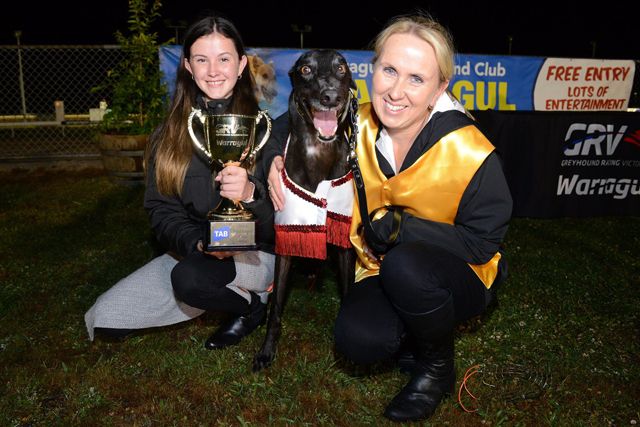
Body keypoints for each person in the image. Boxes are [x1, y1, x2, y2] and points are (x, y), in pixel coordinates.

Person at [265, 14, 512, 422]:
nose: (396, 91)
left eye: (416, 78)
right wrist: (272, 159)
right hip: (378, 267)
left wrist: (403, 229)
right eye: (390, 71)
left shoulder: (470, 150)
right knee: (359, 340)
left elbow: (483, 244)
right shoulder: (356, 121)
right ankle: (412, 332)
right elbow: (287, 120)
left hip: (462, 271)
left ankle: (436, 370)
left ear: (439, 89)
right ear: (372, 70)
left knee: (406, 264)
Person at [85, 14, 275, 351]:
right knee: (107, 317)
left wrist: (250, 194)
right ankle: (226, 289)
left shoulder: (263, 130)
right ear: (187, 66)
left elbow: (285, 224)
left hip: (256, 253)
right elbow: (161, 211)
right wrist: (198, 244)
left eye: (224, 59)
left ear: (241, 65)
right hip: (199, 251)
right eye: (201, 60)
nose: (213, 70)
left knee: (188, 280)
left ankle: (252, 307)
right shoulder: (169, 134)